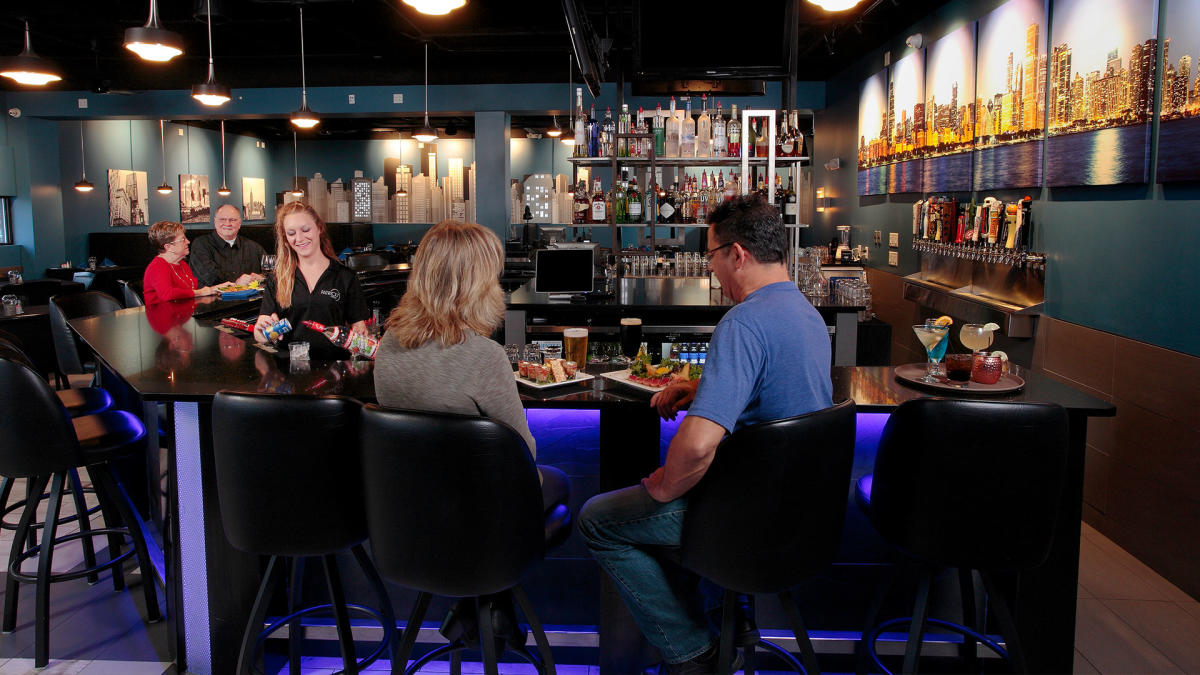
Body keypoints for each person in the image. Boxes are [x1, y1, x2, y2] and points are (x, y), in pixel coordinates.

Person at [578, 195, 833, 674]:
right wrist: (704, 388)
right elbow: (775, 393)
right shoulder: (806, 314)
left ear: (737, 254)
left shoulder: (744, 322)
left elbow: (696, 449)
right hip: (802, 514)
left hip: (744, 520)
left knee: (598, 520)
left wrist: (662, 487)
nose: (713, 269)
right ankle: (724, 613)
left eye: (713, 256)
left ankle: (692, 652)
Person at [373, 219, 570, 652]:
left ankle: (475, 608)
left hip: (409, 514)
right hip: (478, 518)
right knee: (557, 481)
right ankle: (492, 607)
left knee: (478, 497)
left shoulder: (387, 345)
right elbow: (523, 456)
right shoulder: (485, 356)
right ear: (476, 283)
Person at [253, 203, 369, 351]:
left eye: (305, 229)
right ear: (285, 238)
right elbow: (261, 336)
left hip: (334, 367)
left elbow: (359, 329)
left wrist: (362, 340)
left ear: (319, 228)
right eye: (291, 233)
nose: (299, 238)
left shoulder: (345, 277)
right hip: (288, 366)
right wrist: (261, 331)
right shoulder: (277, 279)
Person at [143, 221, 223, 305]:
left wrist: (216, 289)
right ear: (168, 247)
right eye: (182, 240)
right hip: (163, 316)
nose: (188, 242)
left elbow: (190, 291)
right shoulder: (157, 267)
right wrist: (200, 292)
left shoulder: (182, 264)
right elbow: (168, 294)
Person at [189, 204, 267, 288]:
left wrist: (262, 278)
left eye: (232, 220)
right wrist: (237, 282)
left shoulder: (254, 247)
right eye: (222, 219)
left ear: (239, 223)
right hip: (215, 299)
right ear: (215, 222)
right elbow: (210, 277)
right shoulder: (201, 245)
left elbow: (272, 272)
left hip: (252, 299)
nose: (227, 223)